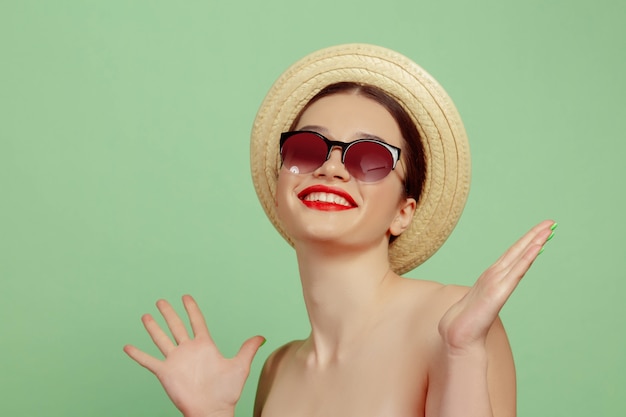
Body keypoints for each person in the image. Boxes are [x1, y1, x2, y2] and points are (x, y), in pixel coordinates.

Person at [123, 44, 556, 417]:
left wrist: (461, 352)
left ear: (403, 213)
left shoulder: (455, 320)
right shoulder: (277, 369)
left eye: (369, 158)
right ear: (280, 189)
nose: (331, 167)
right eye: (307, 149)